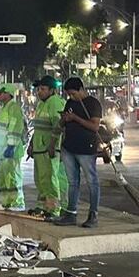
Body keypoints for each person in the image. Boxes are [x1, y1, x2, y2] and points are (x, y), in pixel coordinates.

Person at [54, 77, 103, 227]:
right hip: (69, 147)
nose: (72, 97)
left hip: (86, 148)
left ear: (81, 89)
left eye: (74, 93)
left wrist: (75, 117)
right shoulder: (70, 103)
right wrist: (64, 119)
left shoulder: (93, 103)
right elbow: (61, 124)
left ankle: (93, 214)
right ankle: (71, 213)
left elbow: (94, 126)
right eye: (69, 94)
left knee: (92, 182)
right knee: (72, 182)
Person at [29, 76, 67, 219]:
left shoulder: (54, 103)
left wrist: (52, 144)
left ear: (52, 90)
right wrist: (31, 144)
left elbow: (58, 126)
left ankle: (53, 209)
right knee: (40, 179)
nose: (39, 92)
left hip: (48, 149)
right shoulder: (41, 104)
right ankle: (43, 206)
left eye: (43, 89)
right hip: (39, 148)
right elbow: (38, 128)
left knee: (51, 179)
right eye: (38, 89)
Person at [0, 83, 27, 211]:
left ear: (8, 94)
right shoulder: (3, 108)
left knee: (12, 177)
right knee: (3, 177)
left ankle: (17, 202)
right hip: (2, 150)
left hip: (10, 149)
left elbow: (15, 129)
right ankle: (6, 202)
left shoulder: (14, 108)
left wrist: (11, 146)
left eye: (1, 93)